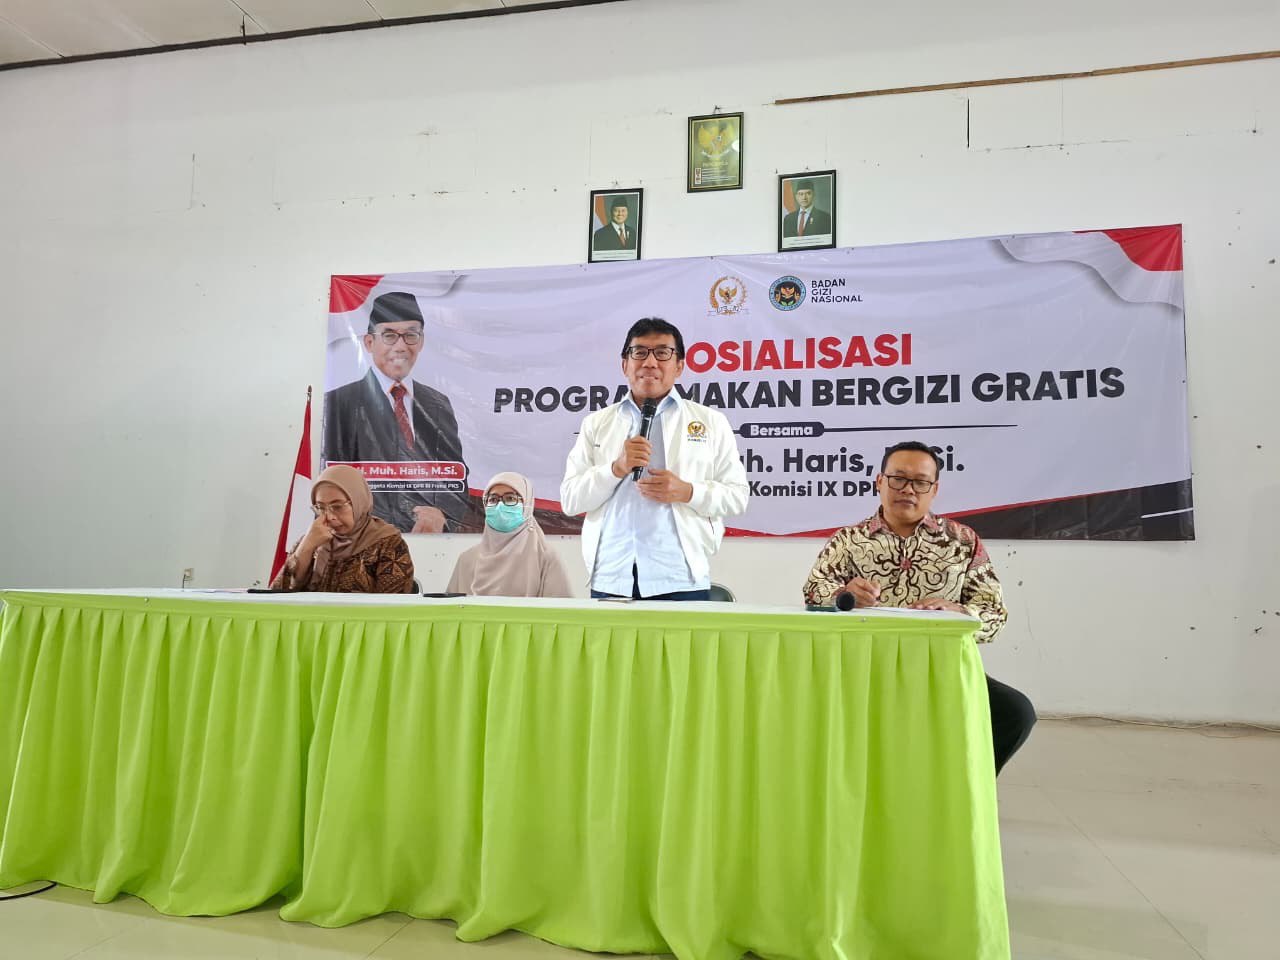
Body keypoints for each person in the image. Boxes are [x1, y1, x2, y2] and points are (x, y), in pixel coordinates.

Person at [801, 440, 1036, 774]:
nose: (908, 489)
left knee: (1016, 712)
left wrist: (958, 612)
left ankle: (961, 786)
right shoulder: (848, 541)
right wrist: (844, 594)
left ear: (934, 489)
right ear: (879, 482)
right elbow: (813, 592)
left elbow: (994, 612)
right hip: (865, 667)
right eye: (898, 478)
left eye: (920, 482)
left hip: (941, 669)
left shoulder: (962, 541)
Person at [561, 318, 749, 600]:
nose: (650, 362)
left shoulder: (711, 422)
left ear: (680, 366)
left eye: (662, 353)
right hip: (613, 575)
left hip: (680, 576)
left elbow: (737, 497)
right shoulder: (596, 423)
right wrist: (615, 469)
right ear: (625, 364)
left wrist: (688, 492)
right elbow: (571, 500)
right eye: (639, 352)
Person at [323, 290, 469, 534]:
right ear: (369, 343)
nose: (401, 346)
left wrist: (442, 514)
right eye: (389, 335)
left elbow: (456, 474)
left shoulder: (438, 404)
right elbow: (331, 479)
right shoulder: (339, 402)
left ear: (421, 342)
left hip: (429, 539)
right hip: (364, 537)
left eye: (410, 335)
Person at [271, 464, 416, 594]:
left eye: (337, 506)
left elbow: (393, 607)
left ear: (359, 501)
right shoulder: (313, 539)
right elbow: (274, 597)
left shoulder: (388, 545)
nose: (329, 517)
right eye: (320, 507)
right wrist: (306, 547)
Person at [446, 472, 573, 598]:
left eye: (510, 498)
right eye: (493, 499)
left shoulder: (544, 557)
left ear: (527, 505)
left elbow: (560, 608)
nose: (500, 506)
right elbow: (452, 607)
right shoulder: (467, 559)